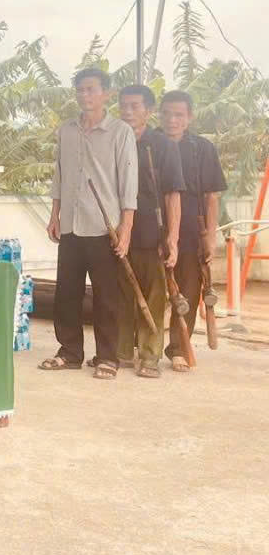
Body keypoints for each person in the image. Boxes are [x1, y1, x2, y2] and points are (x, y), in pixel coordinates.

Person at [39, 68, 138, 379]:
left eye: (91, 89)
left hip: (103, 227)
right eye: (80, 90)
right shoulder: (66, 131)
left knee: (107, 297)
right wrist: (54, 215)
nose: (85, 95)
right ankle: (69, 352)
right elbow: (59, 175)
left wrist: (126, 229)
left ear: (105, 93)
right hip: (70, 224)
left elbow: (128, 184)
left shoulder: (120, 132)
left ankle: (108, 357)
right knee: (66, 293)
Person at [115, 85, 185, 378]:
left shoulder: (163, 145)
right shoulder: (114, 138)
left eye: (135, 106)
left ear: (149, 110)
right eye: (124, 106)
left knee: (155, 296)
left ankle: (150, 356)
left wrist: (173, 238)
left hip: (151, 233)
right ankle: (119, 353)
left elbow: (173, 195)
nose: (129, 112)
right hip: (117, 232)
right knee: (119, 295)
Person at [160, 90, 227, 371]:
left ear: (189, 117)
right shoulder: (148, 143)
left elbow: (212, 197)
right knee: (151, 289)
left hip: (191, 232)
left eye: (179, 115)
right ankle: (145, 346)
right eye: (167, 114)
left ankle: (178, 348)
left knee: (186, 291)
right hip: (151, 229)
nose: (172, 120)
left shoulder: (202, 149)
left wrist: (210, 237)